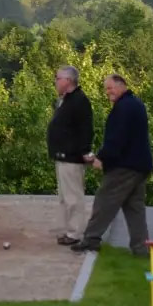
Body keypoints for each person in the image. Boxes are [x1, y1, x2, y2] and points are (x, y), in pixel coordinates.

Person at [72, 74, 153, 256]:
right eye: (106, 89)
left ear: (122, 85)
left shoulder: (123, 108)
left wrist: (102, 158)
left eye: (110, 88)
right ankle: (141, 248)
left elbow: (117, 138)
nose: (108, 92)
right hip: (140, 165)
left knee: (104, 200)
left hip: (125, 166)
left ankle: (91, 239)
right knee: (135, 207)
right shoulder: (135, 104)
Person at [46, 65, 94, 246]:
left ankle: (75, 233)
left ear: (68, 80)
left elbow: (86, 129)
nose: (55, 82)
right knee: (66, 196)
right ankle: (69, 229)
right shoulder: (66, 100)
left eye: (58, 78)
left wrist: (84, 151)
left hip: (72, 156)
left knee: (73, 197)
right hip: (62, 155)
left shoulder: (79, 101)